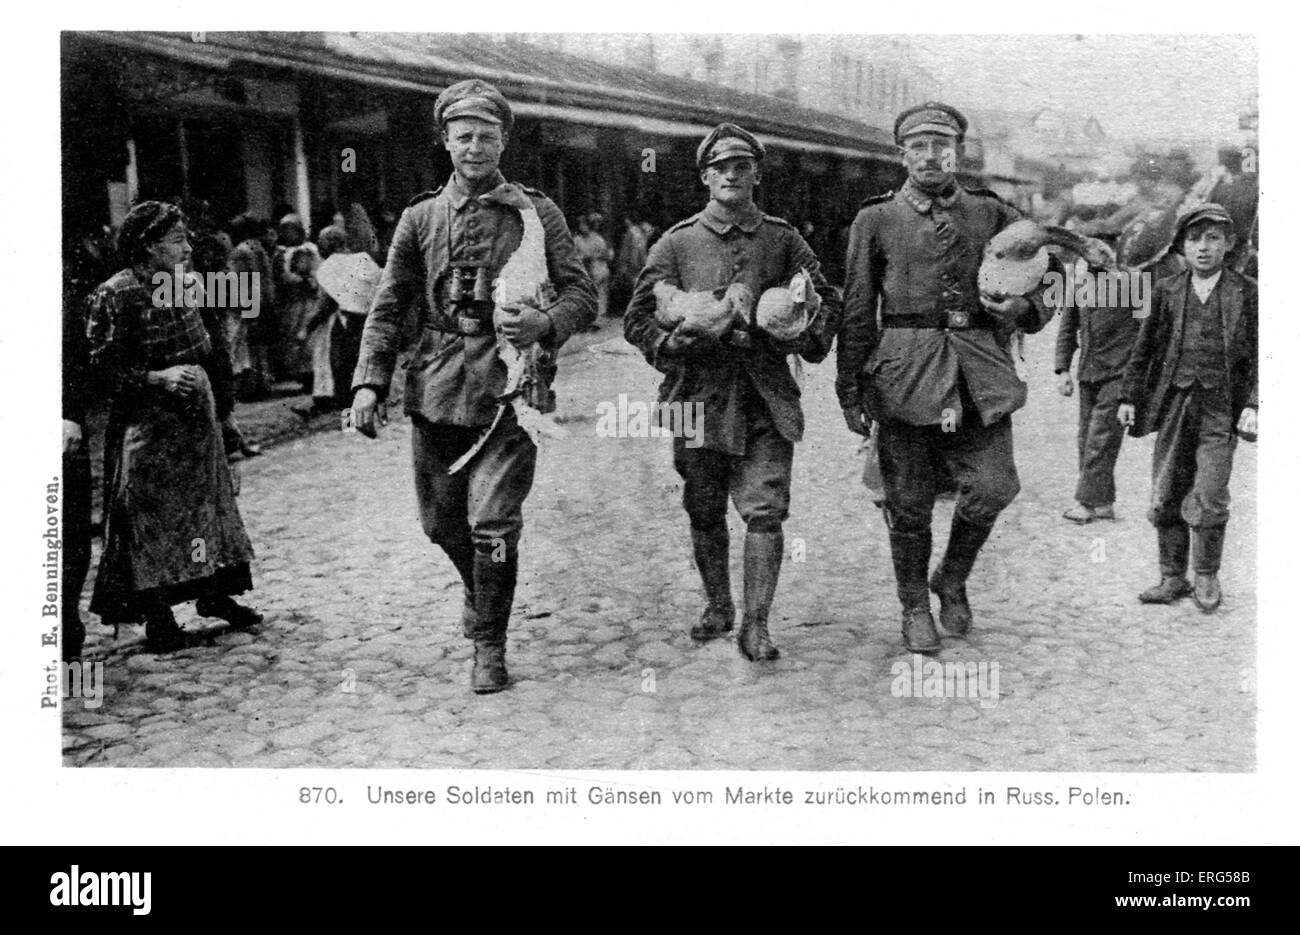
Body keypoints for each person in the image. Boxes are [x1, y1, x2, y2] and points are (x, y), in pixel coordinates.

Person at [349, 79, 596, 693]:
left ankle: (490, 644)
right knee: (441, 525)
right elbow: (388, 305)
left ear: (504, 140)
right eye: (464, 137)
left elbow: (581, 294)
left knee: (494, 525)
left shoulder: (537, 213)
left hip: (512, 386)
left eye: (488, 136)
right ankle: (477, 589)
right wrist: (368, 385)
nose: (476, 147)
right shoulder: (419, 217)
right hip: (434, 385)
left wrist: (545, 322)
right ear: (445, 142)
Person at [836, 102, 1056, 654]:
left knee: (994, 485)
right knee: (907, 503)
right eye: (919, 147)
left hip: (978, 371)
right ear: (901, 154)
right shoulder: (876, 219)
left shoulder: (991, 213)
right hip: (904, 372)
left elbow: (1046, 279)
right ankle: (914, 606)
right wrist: (851, 386)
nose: (931, 157)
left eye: (941, 146)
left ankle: (951, 577)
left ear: (957, 151)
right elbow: (859, 307)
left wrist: (1022, 312)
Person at [623, 123, 840, 661]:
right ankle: (718, 604)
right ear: (705, 176)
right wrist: (673, 343)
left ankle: (757, 623)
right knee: (703, 507)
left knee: (765, 510)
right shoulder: (676, 243)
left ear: (756, 174)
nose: (731, 175)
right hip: (697, 394)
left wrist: (802, 331)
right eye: (721, 167)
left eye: (741, 166)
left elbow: (823, 298)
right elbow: (637, 319)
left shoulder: (784, 239)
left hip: (764, 391)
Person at [85, 201, 261, 652]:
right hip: (147, 421)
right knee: (149, 518)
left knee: (205, 508)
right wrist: (155, 378)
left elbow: (214, 352)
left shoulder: (190, 286)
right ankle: (158, 614)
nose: (187, 248)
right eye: (176, 240)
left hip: (195, 419)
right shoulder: (115, 293)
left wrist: (224, 411)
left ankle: (212, 593)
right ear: (147, 246)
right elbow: (100, 369)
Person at [1118, 203, 1257, 612]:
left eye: (1213, 238)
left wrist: (1254, 404)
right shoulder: (1167, 290)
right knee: (1167, 490)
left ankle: (1207, 575)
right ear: (1180, 246)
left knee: (1210, 492)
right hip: (1176, 402)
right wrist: (1129, 396)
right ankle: (1172, 576)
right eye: (1194, 239)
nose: (1203, 247)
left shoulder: (1246, 291)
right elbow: (1143, 349)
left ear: (1229, 245)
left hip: (1220, 408)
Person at [1054, 254, 1141, 523]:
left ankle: (1086, 503)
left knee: (1101, 438)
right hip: (1088, 374)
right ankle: (1102, 502)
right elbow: (1068, 328)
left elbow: (1145, 335)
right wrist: (1062, 369)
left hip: (1120, 374)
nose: (1097, 253)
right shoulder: (1079, 284)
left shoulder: (1135, 282)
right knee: (1086, 437)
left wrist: (1134, 385)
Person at [574, 214, 613, 320]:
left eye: (584, 225)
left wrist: (593, 256)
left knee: (599, 294)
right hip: (584, 269)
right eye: (580, 225)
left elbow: (606, 254)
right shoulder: (577, 239)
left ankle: (598, 319)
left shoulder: (597, 239)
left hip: (598, 268)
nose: (581, 227)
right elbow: (573, 254)